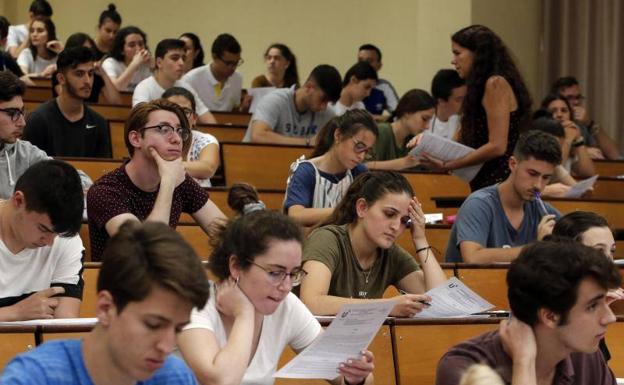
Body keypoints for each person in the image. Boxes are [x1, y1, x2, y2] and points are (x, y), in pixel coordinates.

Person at [177, 209, 374, 385]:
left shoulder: (286, 305)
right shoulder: (195, 305)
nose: (287, 286)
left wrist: (356, 377)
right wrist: (244, 314)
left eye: (293, 273)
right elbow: (221, 381)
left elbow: (344, 373)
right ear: (236, 266)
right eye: (274, 273)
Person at [1, 221, 210, 385]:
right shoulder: (33, 378)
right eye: (153, 325)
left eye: (179, 328)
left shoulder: (174, 376)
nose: (166, 346)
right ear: (105, 308)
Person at [436, 240, 621, 385]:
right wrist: (524, 364)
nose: (610, 317)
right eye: (592, 306)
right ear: (549, 316)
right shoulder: (465, 366)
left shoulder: (585, 354)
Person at [87, 99, 226, 261]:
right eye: (163, 129)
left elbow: (226, 235)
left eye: (179, 131)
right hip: (121, 283)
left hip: (164, 281)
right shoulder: (105, 191)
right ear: (136, 139)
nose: (176, 139)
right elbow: (144, 251)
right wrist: (167, 183)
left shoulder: (180, 181)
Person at [300, 170, 448, 316]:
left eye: (404, 221)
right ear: (362, 208)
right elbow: (311, 302)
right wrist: (386, 306)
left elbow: (441, 302)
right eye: (389, 214)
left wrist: (420, 239)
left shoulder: (391, 254)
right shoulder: (327, 239)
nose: (396, 227)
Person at [423, 25, 532, 192]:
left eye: (457, 53)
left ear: (477, 54)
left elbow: (497, 146)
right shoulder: (478, 87)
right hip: (482, 179)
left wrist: (449, 164)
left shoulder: (495, 84)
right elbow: (462, 134)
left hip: (498, 181)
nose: (453, 60)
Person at [444, 130, 562, 263]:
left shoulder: (545, 212)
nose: (538, 185)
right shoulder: (479, 204)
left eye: (546, 177)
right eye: (532, 173)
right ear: (513, 164)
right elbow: (473, 258)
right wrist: (537, 249)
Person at [0, 160, 84, 321]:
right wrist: (14, 313)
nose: (50, 242)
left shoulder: (66, 239)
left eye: (57, 234)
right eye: (43, 229)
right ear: (18, 201)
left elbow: (63, 324)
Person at [284, 109, 377, 227]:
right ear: (338, 135)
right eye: (359, 146)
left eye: (367, 151)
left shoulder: (359, 172)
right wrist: (346, 211)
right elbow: (296, 215)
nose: (361, 156)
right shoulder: (306, 170)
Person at [24, 46, 112, 158]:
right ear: (61, 79)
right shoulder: (38, 120)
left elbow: (103, 170)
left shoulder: (99, 122)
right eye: (79, 74)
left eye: (90, 73)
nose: (87, 81)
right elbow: (30, 170)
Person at [243, 64, 341, 145]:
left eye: (328, 102)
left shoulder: (328, 113)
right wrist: (307, 142)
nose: (324, 107)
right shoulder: (274, 100)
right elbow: (258, 135)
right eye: (323, 99)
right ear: (309, 87)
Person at [133, 38, 216, 124]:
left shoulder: (186, 87)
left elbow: (206, 116)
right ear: (159, 62)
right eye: (175, 58)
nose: (181, 63)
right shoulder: (144, 88)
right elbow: (138, 121)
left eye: (183, 58)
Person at [550, 76, 621, 160]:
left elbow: (615, 155)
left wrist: (590, 123)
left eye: (578, 97)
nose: (576, 102)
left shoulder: (580, 125)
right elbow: (549, 150)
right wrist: (582, 151)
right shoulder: (547, 121)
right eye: (570, 98)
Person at [163, 86, 219, 187]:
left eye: (185, 112)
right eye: (173, 110)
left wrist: (167, 167)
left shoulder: (205, 140)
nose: (180, 116)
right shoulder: (154, 138)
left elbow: (208, 168)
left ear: (194, 118)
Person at [367, 89, 435, 170]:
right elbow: (364, 166)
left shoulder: (412, 140)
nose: (427, 126)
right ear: (408, 112)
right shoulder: (382, 131)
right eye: (424, 119)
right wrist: (404, 162)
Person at [50, 32, 122, 105]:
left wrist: (104, 74)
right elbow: (67, 98)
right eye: (79, 74)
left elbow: (116, 102)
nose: (87, 80)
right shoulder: (62, 73)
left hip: (89, 113)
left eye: (90, 50)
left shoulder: (95, 75)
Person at [182, 33, 246, 112]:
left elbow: (234, 110)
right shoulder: (191, 79)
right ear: (214, 57)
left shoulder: (237, 78)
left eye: (236, 63)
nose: (233, 68)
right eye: (228, 63)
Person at [541, 93, 595, 178]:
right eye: (553, 111)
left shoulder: (571, 144)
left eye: (564, 110)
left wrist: (579, 139)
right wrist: (568, 140)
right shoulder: (539, 141)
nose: (559, 115)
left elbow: (588, 173)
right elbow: (553, 177)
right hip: (538, 191)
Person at [529, 116, 579, 198]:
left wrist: (582, 191)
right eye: (552, 148)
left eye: (559, 148)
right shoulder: (521, 162)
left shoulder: (553, 164)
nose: (556, 153)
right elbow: (517, 194)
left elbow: (576, 189)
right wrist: (546, 191)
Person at [101, 25, 151, 92]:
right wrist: (134, 64)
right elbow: (115, 89)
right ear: (122, 50)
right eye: (132, 45)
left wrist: (155, 68)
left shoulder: (145, 65)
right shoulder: (110, 63)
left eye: (141, 44)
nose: (138, 48)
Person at [357, 44, 399, 118]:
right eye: (360, 60)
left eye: (369, 61)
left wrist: (385, 118)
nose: (364, 65)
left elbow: (398, 114)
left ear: (379, 66)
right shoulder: (348, 85)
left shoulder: (384, 86)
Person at [429, 69, 466, 140]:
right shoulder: (426, 123)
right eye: (459, 100)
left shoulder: (464, 119)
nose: (465, 103)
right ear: (441, 101)